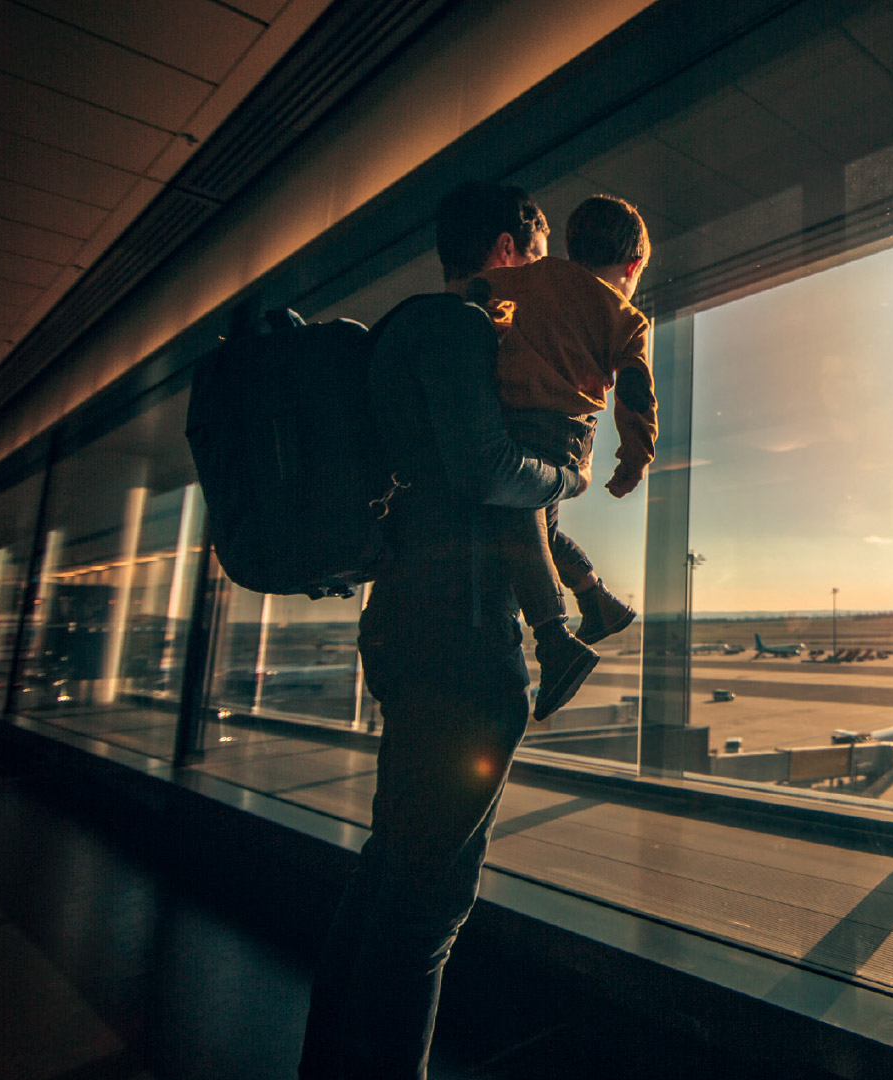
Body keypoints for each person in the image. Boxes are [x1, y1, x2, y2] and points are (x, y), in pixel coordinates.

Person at [296, 180, 577, 1079]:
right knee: (430, 904)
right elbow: (489, 470)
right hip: (461, 637)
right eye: (533, 261)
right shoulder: (459, 331)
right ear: (506, 250)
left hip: (408, 625)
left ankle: (327, 1066)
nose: (538, 280)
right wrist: (564, 480)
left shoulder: (399, 335)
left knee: (391, 870)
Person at [475, 194, 655, 720]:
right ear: (634, 266)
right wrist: (634, 459)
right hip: (571, 432)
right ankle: (595, 604)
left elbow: (481, 290)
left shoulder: (540, 277)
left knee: (522, 521)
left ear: (573, 248)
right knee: (535, 529)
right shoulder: (627, 317)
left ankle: (557, 639)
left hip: (524, 420)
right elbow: (637, 395)